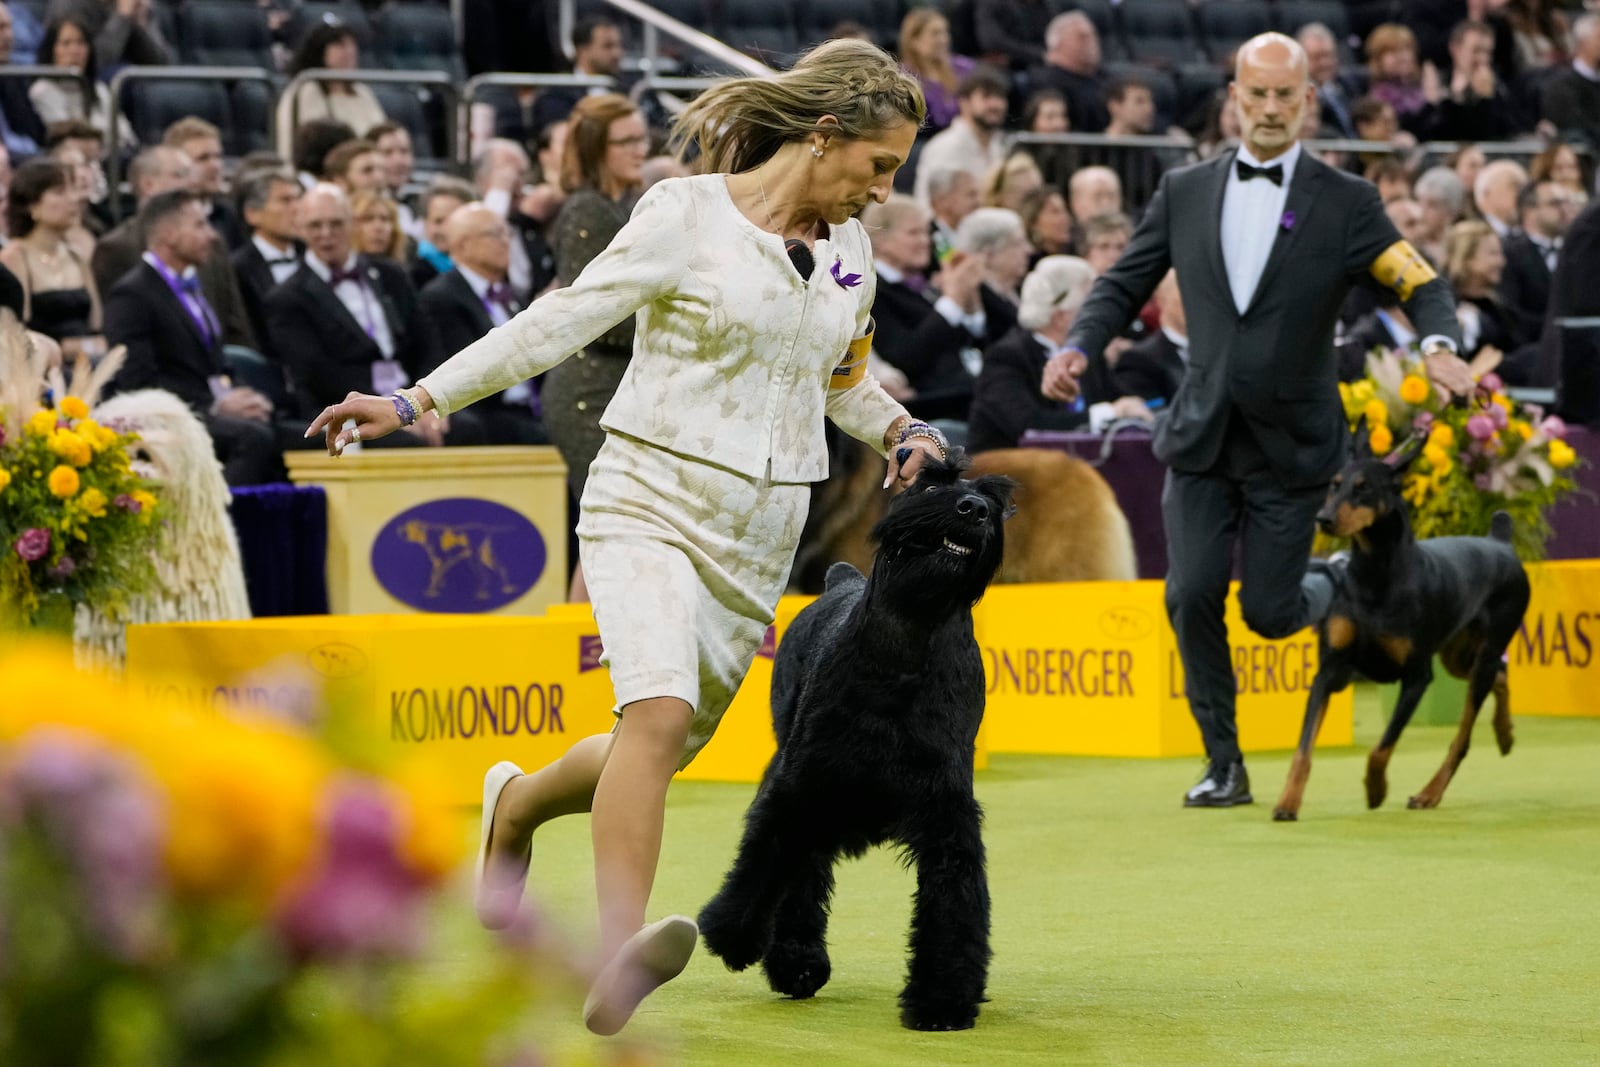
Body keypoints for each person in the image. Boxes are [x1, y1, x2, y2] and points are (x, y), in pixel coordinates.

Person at [304, 38, 939, 1036]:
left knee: (662, 740)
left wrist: (901, 425)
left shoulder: (852, 255)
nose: (886, 187)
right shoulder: (683, 213)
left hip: (762, 527)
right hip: (646, 492)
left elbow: (844, 380)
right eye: (881, 164)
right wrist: (414, 397)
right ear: (825, 137)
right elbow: (556, 323)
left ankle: (512, 806)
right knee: (655, 711)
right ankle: (612, 951)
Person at [1041, 32, 1471, 809]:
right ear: (1234, 98)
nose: (1270, 108)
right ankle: (1224, 763)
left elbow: (1422, 282)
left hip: (1293, 448)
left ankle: (1328, 580)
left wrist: (1439, 344)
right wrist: (1077, 345)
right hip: (1203, 437)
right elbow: (1121, 281)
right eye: (1256, 93)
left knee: (1271, 614)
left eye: (1285, 95)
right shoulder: (1184, 189)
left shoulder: (1350, 202)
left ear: (1308, 101)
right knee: (1190, 592)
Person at [540, 93, 648, 601]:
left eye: (641, 138)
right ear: (596, 149)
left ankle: (588, 637)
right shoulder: (586, 208)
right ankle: (579, 640)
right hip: (588, 388)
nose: (639, 150)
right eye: (625, 142)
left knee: (619, 521)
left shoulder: (622, 205)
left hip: (621, 384)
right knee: (611, 519)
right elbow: (597, 317)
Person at [104, 190, 283, 486]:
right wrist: (215, 405)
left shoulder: (195, 286)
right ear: (169, 233)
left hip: (204, 408)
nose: (212, 235)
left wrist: (242, 396)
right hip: (169, 416)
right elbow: (137, 382)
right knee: (252, 439)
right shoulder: (132, 294)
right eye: (200, 225)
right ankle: (212, 523)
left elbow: (217, 364)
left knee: (281, 425)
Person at [417, 203, 543, 446]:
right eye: (495, 234)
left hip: (531, 408)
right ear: (464, 245)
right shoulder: (442, 296)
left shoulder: (509, 295)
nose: (505, 241)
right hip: (487, 412)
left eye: (507, 233)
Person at [1, 157, 103, 361]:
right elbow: (16, 330)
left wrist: (82, 347)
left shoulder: (77, 256)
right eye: (59, 192)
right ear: (32, 205)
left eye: (73, 190)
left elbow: (97, 326)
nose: (73, 199)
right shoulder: (14, 257)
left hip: (89, 366)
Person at [28, 17, 134, 148]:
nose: (74, 51)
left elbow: (126, 135)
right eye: (66, 43)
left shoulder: (99, 88)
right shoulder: (43, 90)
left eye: (81, 43)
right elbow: (67, 137)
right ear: (51, 50)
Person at [284, 21, 386, 135]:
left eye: (352, 44)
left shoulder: (361, 91)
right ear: (320, 51)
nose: (349, 51)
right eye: (340, 45)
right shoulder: (306, 90)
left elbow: (382, 132)